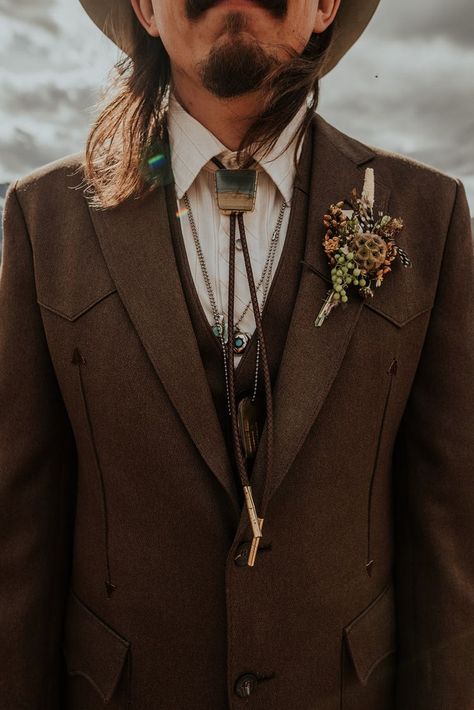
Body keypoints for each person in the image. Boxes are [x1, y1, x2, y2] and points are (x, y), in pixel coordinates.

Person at [0, 0, 473, 707]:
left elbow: (449, 539)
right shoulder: (44, 222)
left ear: (324, 7)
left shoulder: (429, 217)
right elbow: (20, 542)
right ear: (145, 9)